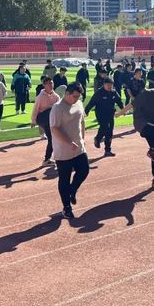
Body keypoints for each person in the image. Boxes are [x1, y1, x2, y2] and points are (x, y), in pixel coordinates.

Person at [50, 83, 89, 219]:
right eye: (75, 96)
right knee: (64, 179)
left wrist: (82, 139)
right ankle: (66, 207)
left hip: (78, 147)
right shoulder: (57, 108)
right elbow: (54, 128)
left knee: (84, 170)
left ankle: (72, 191)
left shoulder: (79, 103)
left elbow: (82, 121)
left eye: (79, 97)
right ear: (67, 93)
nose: (77, 99)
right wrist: (68, 142)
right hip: (63, 150)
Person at [85, 77, 127, 157]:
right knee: (105, 127)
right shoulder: (99, 93)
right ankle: (98, 138)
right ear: (104, 84)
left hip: (110, 113)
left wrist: (123, 110)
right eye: (108, 85)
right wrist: (86, 112)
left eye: (111, 85)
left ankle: (108, 150)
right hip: (100, 113)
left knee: (110, 131)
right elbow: (91, 103)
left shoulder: (114, 92)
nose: (110, 87)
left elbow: (119, 101)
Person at [32, 76, 61, 166]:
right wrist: (33, 120)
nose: (51, 85)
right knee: (51, 109)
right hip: (41, 118)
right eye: (48, 83)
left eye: (51, 83)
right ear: (44, 85)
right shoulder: (40, 96)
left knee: (53, 139)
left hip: (50, 120)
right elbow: (35, 108)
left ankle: (47, 159)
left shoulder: (56, 96)